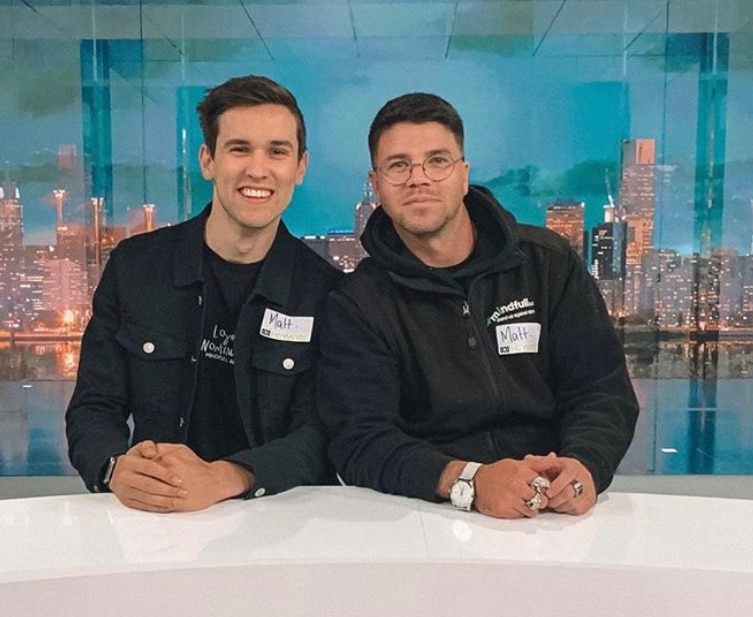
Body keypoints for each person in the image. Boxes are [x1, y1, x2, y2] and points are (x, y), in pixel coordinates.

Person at [317, 93, 639, 519]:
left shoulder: (547, 263)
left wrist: (584, 465)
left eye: (437, 161)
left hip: (557, 507)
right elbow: (360, 438)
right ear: (376, 184)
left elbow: (603, 390)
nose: (419, 179)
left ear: (463, 174)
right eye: (399, 166)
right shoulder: (358, 302)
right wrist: (466, 480)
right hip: (431, 513)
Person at [66, 75, 341, 512]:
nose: (257, 169)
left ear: (300, 167)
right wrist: (114, 467)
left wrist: (224, 478)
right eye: (239, 149)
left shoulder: (327, 294)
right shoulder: (136, 268)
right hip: (158, 515)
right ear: (208, 160)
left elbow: (322, 433)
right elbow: (95, 406)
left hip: (281, 522)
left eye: (277, 151)